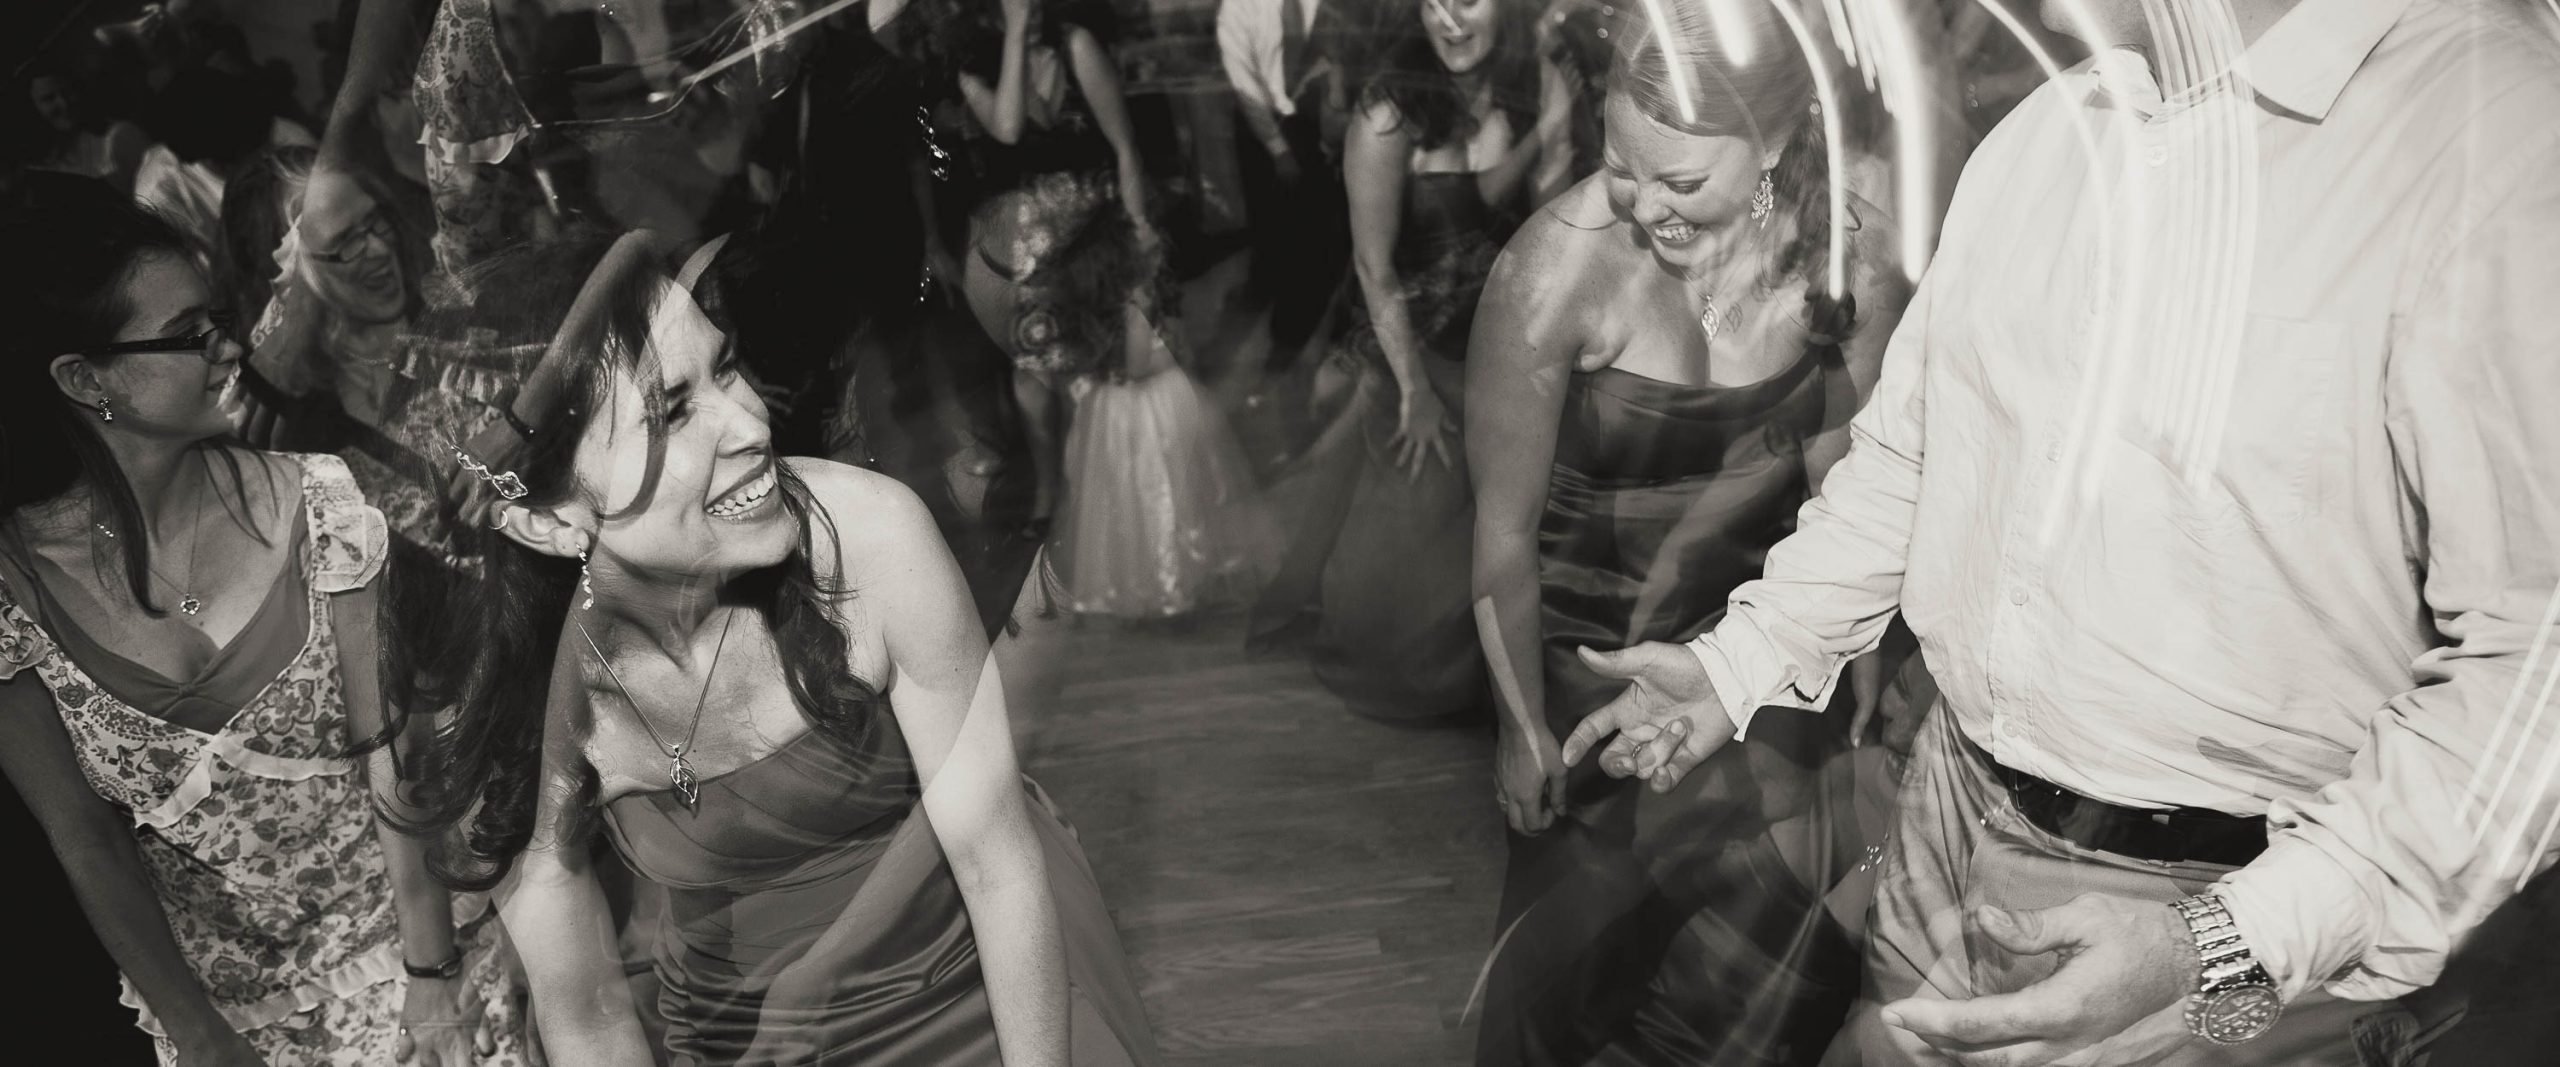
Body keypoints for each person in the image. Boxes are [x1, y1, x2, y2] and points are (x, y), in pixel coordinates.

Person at [1558, 1, 2560, 1065]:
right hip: (1948, 807)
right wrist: (1740, 659)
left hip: (2220, 900)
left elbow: (2531, 684)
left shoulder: (2489, 138)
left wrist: (2219, 942)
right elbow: (1917, 456)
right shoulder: (2049, 129)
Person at [395, 231, 1160, 1063]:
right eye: (673, 410)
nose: (752, 419)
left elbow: (996, 863)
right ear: (545, 519)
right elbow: (587, 1018)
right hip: (748, 1039)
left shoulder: (867, 537)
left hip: (976, 987)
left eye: (724, 368)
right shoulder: (520, 707)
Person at [1465, 5, 1910, 1063]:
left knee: (1752, 971)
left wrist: (1857, 657)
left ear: (1774, 144)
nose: (1641, 204)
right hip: (1594, 676)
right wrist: (1519, 724)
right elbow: (1498, 533)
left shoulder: (1845, 267)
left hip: (1763, 662)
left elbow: (1851, 479)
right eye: (1622, 164)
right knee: (1575, 969)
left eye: (1678, 182)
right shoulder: (1552, 269)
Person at [0, 187, 518, 1065]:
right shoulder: (13, 592)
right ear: (83, 378)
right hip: (234, 1016)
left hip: (424, 953)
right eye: (190, 333)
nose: (231, 348)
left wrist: (432, 979)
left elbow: (398, 753)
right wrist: (201, 1038)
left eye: (220, 320)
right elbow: (82, 838)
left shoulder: (320, 500)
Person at [1249, 0, 1568, 720]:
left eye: (1468, 0)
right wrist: (1414, 388)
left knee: (1521, 521)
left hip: (1508, 346)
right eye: (1432, 1)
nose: (1449, 20)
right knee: (1406, 583)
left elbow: (1543, 222)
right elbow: (1372, 264)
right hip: (1417, 348)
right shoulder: (1387, 109)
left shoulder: (1534, 78)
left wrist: (1551, 134)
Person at [1217, 0, 1351, 374]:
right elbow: (1246, 88)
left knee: (1311, 249)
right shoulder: (1240, 8)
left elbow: (1337, 56)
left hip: (1315, 131)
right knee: (1272, 248)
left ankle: (1283, 350)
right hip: (1262, 138)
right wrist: (1278, 151)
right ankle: (1230, 347)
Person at [16, 65, 156, 194]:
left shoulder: (120, 136)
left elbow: (163, 188)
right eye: (49, 99)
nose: (64, 104)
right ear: (33, 109)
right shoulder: (37, 169)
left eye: (67, 92)